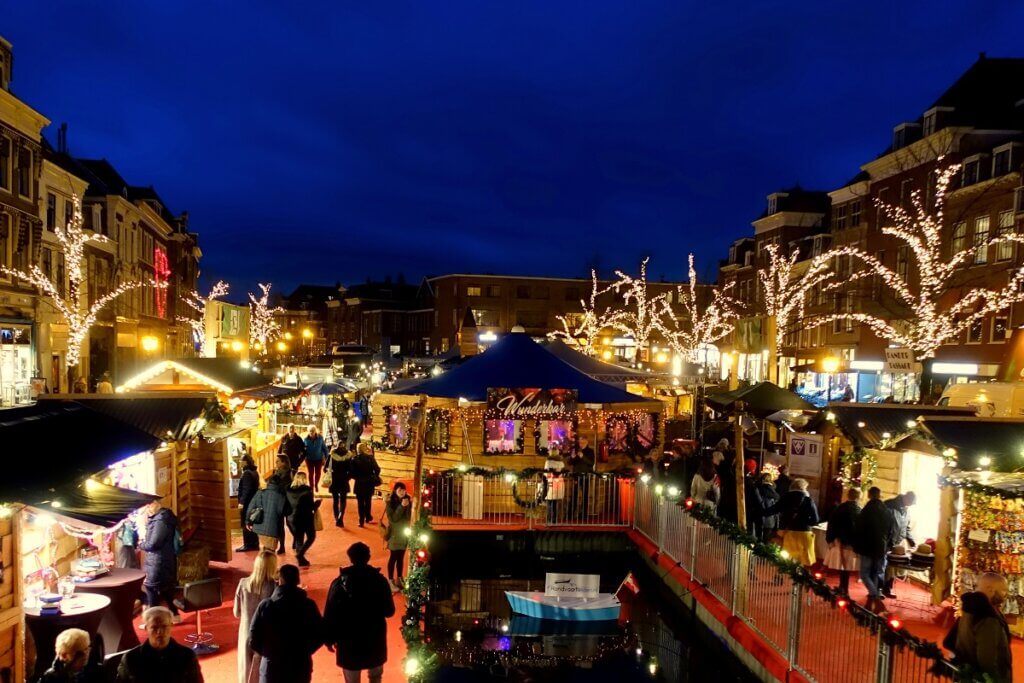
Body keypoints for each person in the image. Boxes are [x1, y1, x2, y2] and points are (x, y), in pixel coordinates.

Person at [323, 542, 396, 683]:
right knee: (375, 677)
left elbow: (330, 614)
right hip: (374, 640)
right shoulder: (380, 581)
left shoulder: (339, 583)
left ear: (350, 558)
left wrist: (329, 639)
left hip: (348, 642)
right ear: (368, 557)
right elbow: (389, 611)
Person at [248, 564, 324, 683]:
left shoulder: (266, 605)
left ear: (280, 580)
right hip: (300, 665)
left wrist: (267, 653)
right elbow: (320, 634)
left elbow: (253, 636)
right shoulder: (309, 605)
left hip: (271, 667)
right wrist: (305, 651)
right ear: (298, 580)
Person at [947, 573, 1013, 682]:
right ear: (990, 589)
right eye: (1003, 590)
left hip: (968, 674)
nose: (1005, 595)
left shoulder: (969, 609)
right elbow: (987, 659)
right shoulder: (988, 617)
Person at [116, 606, 203, 683]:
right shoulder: (131, 659)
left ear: (171, 626)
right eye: (154, 627)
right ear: (146, 629)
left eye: (164, 626)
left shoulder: (187, 656)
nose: (160, 632)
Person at [234, 550, 278, 683]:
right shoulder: (274, 587)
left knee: (246, 671)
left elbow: (236, 612)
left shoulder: (243, 583)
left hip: (246, 632)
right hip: (266, 635)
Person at [853, 486, 896, 613]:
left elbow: (859, 529)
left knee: (864, 573)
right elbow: (891, 529)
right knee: (877, 573)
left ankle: (875, 597)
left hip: (867, 546)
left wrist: (857, 545)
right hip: (881, 547)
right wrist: (888, 544)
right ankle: (874, 597)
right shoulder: (886, 511)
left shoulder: (866, 511)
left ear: (869, 495)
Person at [137, 501, 180, 622]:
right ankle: (174, 614)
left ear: (151, 508)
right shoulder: (164, 518)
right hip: (163, 559)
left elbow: (154, 543)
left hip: (158, 560)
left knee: (151, 588)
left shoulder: (160, 521)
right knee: (164, 588)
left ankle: (152, 620)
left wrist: (142, 545)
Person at [767, 477, 819, 567]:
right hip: (805, 533)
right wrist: (805, 522)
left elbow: (771, 510)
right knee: (803, 560)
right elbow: (815, 520)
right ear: (803, 488)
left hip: (790, 532)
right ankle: (799, 577)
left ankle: (784, 577)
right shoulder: (808, 500)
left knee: (788, 558)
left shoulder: (785, 498)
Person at [249, 456, 292, 554]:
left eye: (278, 461)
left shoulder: (290, 473)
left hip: (286, 500)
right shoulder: (275, 472)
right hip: (277, 500)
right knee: (279, 524)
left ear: (284, 462)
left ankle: (296, 541)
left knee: (290, 524)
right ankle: (282, 545)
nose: (276, 463)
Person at [825, 488, 861, 595]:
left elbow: (832, 524)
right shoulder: (859, 510)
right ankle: (844, 587)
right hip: (852, 541)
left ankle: (843, 587)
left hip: (841, 540)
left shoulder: (840, 508)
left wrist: (830, 538)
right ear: (858, 497)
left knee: (843, 565)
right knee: (847, 565)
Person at [882, 491, 916, 599]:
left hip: (897, 542)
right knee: (884, 566)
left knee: (892, 566)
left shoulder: (906, 510)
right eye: (910, 503)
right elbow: (883, 523)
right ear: (906, 498)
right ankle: (878, 589)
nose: (910, 506)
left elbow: (906, 528)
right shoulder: (890, 505)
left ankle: (887, 588)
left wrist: (912, 541)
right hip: (887, 541)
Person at [38, 628, 104, 683]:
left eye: (87, 648)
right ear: (64, 655)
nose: (85, 654)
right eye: (79, 653)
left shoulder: (97, 671)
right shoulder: (49, 678)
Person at [285, 471, 319, 567]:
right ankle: (300, 555)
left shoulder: (288, 489)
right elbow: (311, 506)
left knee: (299, 539)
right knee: (311, 537)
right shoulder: (307, 490)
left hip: (292, 517)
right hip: (305, 517)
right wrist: (317, 503)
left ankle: (301, 559)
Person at [383, 483, 411, 592]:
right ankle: (390, 580)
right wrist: (402, 506)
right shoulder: (390, 502)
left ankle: (399, 578)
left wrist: (407, 506)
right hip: (394, 534)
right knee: (393, 557)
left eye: (404, 490)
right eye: (400, 490)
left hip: (404, 534)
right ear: (395, 490)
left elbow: (409, 517)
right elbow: (393, 519)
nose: (402, 492)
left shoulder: (406, 500)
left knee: (401, 558)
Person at [350, 443, 381, 527]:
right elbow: (377, 469)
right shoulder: (370, 458)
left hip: (359, 483)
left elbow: (351, 473)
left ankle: (361, 521)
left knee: (360, 503)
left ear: (358, 449)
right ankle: (367, 517)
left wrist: (357, 477)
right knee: (368, 501)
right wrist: (374, 475)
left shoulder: (354, 459)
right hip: (369, 483)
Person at [237, 454, 261, 552]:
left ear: (245, 462)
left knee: (245, 523)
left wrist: (242, 502)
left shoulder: (247, 473)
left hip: (247, 503)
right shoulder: (254, 471)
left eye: (241, 461)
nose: (239, 462)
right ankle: (254, 543)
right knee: (252, 523)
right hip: (253, 501)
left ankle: (248, 544)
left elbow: (246, 489)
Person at [566, 436, 595, 521]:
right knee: (574, 495)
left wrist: (583, 457)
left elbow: (591, 463)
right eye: (580, 443)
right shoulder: (577, 451)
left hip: (585, 476)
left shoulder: (590, 451)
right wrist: (572, 457)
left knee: (585, 496)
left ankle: (583, 515)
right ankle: (570, 514)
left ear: (586, 442)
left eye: (582, 442)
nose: (580, 444)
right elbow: (570, 463)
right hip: (576, 476)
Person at [328, 446, 353, 527]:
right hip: (344, 480)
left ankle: (336, 517)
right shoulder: (348, 456)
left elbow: (325, 468)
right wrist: (347, 478)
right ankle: (341, 517)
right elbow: (351, 470)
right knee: (343, 500)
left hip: (334, 479)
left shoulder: (332, 455)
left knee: (335, 500)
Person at [755, 471, 780, 542]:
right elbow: (776, 510)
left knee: (756, 539)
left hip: (757, 518)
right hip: (770, 520)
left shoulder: (757, 489)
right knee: (766, 541)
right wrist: (777, 524)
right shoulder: (775, 494)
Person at [543, 448, 566, 525]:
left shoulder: (548, 462)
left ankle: (549, 519)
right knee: (555, 502)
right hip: (558, 484)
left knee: (549, 502)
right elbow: (562, 473)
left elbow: (546, 473)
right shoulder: (561, 463)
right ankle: (554, 520)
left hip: (550, 483)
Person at [303, 427, 328, 492]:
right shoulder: (305, 439)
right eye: (310, 431)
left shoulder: (320, 438)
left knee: (318, 473)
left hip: (318, 459)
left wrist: (326, 457)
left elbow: (324, 448)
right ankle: (311, 487)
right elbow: (302, 449)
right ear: (308, 431)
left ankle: (316, 484)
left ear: (315, 431)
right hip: (309, 459)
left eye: (313, 431)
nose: (311, 432)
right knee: (310, 473)